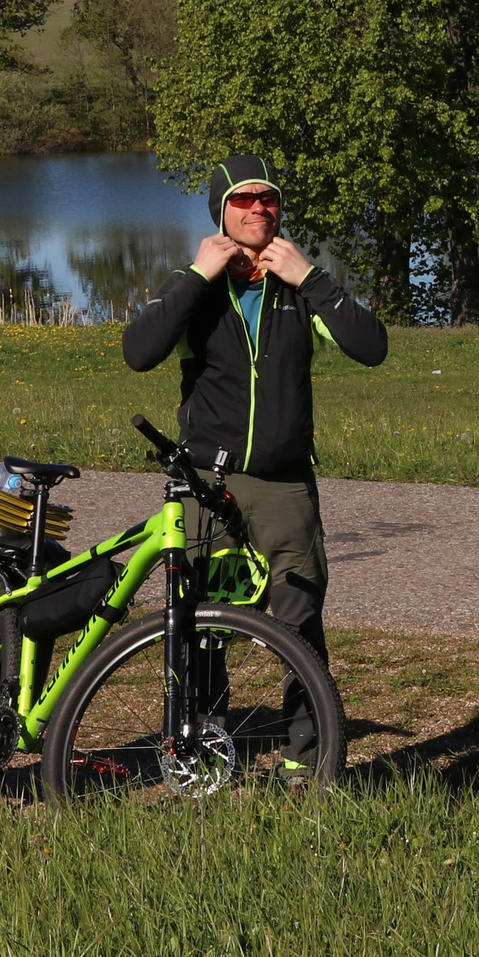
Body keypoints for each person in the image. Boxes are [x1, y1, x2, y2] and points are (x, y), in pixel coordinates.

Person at [119, 154, 387, 761]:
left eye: (268, 198)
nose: (258, 208)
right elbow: (139, 352)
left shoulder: (299, 287)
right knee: (201, 623)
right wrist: (197, 274)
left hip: (285, 485)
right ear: (221, 211)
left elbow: (371, 346)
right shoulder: (195, 288)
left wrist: (310, 276)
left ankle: (306, 759)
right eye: (243, 199)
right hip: (207, 486)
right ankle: (202, 750)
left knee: (299, 622)